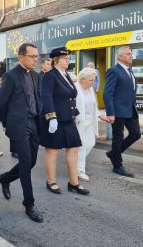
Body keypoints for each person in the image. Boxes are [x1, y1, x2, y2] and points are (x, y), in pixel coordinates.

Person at [0, 43, 43, 223]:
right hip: (19, 125)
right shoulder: (10, 76)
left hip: (34, 123)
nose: (35, 59)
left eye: (36, 57)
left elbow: (37, 99)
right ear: (21, 57)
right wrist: (9, 125)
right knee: (25, 162)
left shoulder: (36, 75)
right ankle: (29, 203)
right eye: (32, 56)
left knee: (31, 161)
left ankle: (5, 178)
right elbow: (3, 104)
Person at [40, 47, 89, 196]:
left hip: (68, 119)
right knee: (53, 150)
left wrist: (77, 112)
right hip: (55, 119)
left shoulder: (65, 74)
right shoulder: (50, 75)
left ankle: (73, 182)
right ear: (56, 60)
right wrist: (51, 117)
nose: (68, 61)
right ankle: (51, 181)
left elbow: (69, 97)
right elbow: (46, 97)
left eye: (68, 59)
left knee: (74, 148)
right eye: (65, 59)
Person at [103, 46, 141, 177]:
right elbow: (108, 94)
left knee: (136, 134)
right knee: (118, 138)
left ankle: (114, 153)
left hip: (130, 110)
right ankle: (117, 166)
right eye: (128, 54)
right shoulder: (113, 71)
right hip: (118, 111)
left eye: (131, 53)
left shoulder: (130, 71)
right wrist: (110, 113)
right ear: (120, 57)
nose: (131, 56)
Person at [76, 68, 109, 181]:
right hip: (79, 123)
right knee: (82, 145)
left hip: (90, 121)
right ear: (83, 79)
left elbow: (93, 106)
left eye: (94, 80)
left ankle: (74, 162)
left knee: (91, 143)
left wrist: (101, 115)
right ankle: (79, 170)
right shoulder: (76, 89)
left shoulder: (90, 90)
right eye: (91, 80)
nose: (93, 82)